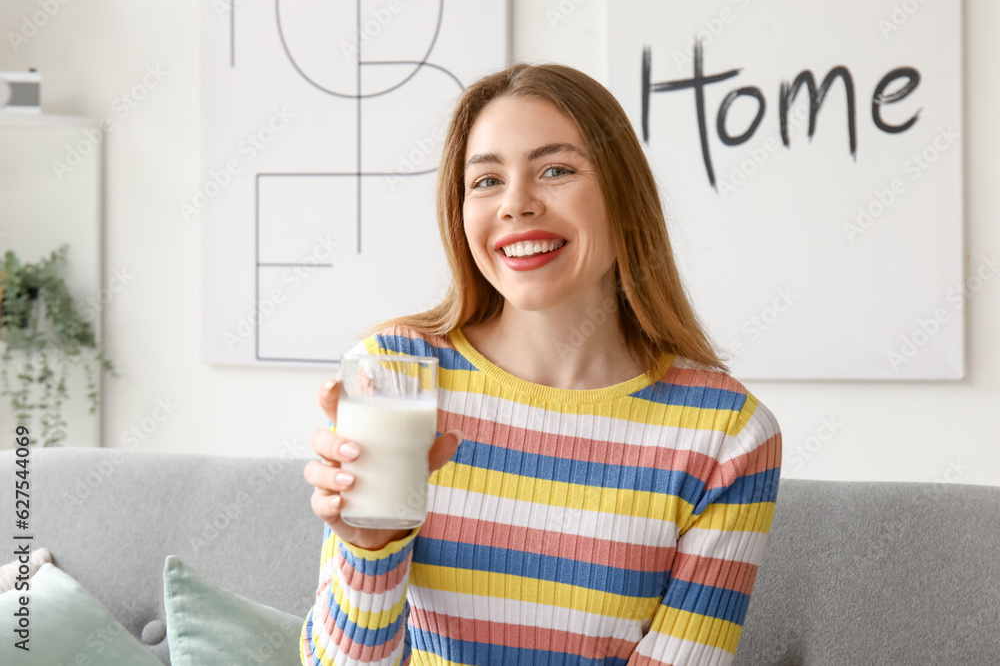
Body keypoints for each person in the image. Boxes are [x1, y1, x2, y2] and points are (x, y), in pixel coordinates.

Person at [300, 62, 782, 666]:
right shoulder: (395, 373)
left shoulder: (726, 434)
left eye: (555, 170)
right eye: (486, 181)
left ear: (624, 199)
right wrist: (371, 549)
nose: (516, 204)